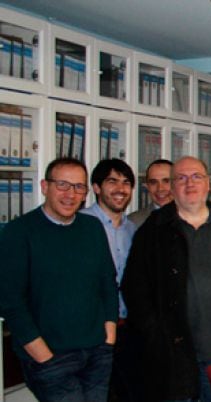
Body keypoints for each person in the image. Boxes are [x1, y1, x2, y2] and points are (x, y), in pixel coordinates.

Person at [122, 156, 211, 402]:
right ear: (172, 186)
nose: (189, 184)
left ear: (208, 184)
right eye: (181, 178)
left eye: (196, 177)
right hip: (176, 358)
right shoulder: (153, 230)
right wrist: (156, 335)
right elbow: (135, 290)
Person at [0, 157, 118, 402]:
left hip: (97, 352)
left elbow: (107, 282)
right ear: (45, 186)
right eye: (62, 185)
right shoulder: (18, 232)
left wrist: (109, 338)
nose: (71, 194)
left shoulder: (92, 227)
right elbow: (10, 301)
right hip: (51, 357)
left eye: (79, 187)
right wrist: (42, 355)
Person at [81, 158, 141, 402]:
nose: (120, 189)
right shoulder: (81, 224)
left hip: (127, 328)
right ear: (96, 187)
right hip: (92, 330)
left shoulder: (133, 229)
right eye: (112, 182)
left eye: (126, 183)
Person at [128, 159, 172, 227]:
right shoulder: (132, 222)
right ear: (147, 186)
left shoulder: (192, 218)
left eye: (166, 181)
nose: (160, 188)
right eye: (153, 182)